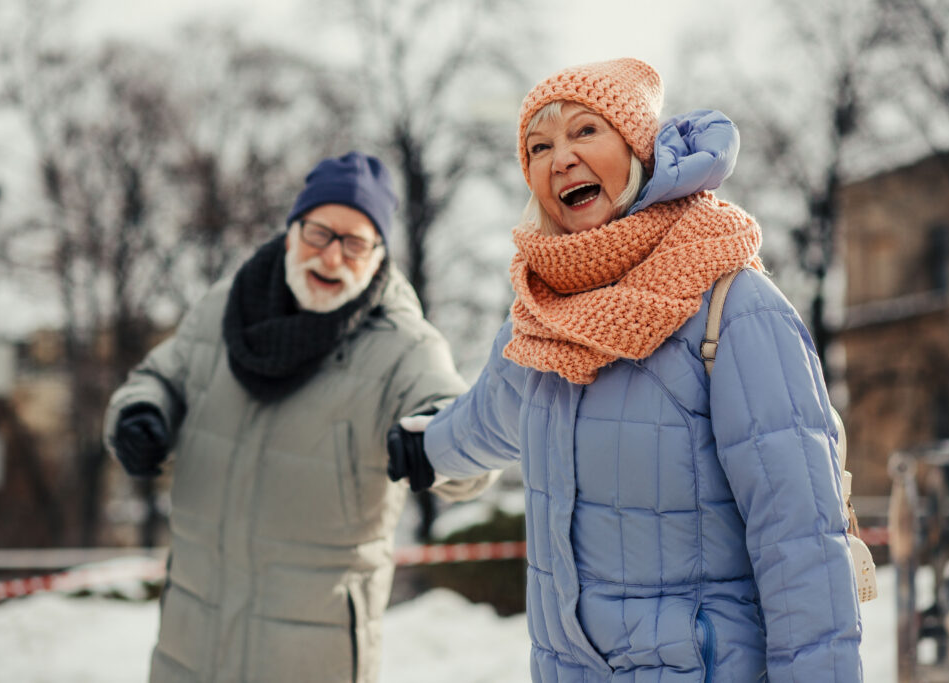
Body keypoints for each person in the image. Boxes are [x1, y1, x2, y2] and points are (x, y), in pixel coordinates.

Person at [387, 58, 863, 681]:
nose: (560, 158)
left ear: (637, 148)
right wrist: (425, 448)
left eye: (586, 131)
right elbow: (489, 417)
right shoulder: (541, 319)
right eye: (539, 146)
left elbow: (801, 543)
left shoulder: (732, 306)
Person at [103, 151, 495, 683]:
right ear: (292, 232)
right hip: (189, 642)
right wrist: (140, 414)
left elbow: (461, 425)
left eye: (355, 243)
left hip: (312, 655)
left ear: (379, 254)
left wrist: (437, 445)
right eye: (319, 234)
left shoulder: (405, 346)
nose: (331, 258)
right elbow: (161, 377)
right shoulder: (227, 306)